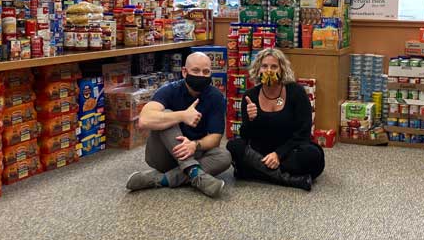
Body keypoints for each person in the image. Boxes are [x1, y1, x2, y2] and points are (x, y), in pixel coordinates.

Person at [125, 52, 231, 198]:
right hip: (163, 155)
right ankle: (194, 171)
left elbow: (215, 138)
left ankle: (159, 179)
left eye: (206, 72)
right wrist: (182, 115)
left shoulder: (215, 96)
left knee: (224, 157)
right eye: (195, 71)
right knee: (166, 114)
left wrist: (194, 145)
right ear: (184, 72)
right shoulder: (168, 90)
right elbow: (144, 120)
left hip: (193, 152)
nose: (201, 75)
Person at [226, 48, 325, 191]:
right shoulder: (250, 96)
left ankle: (256, 172)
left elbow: (303, 133)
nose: (269, 71)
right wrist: (251, 120)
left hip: (290, 150)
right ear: (258, 70)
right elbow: (245, 136)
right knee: (233, 146)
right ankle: (290, 179)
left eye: (274, 67)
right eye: (265, 66)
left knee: (312, 156)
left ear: (282, 70)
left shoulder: (296, 92)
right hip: (261, 151)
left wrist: (278, 154)